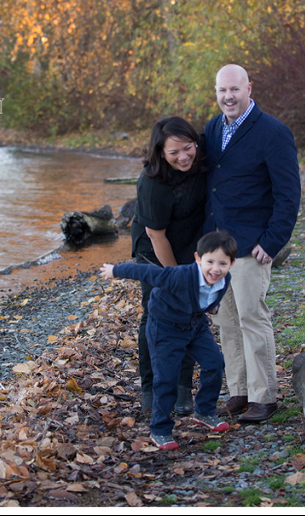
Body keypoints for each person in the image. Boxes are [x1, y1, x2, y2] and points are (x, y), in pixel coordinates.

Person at [204, 64, 301, 424]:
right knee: (226, 323)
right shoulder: (214, 129)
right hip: (218, 249)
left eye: (234, 89)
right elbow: (210, 187)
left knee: (252, 318)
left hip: (251, 247)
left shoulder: (273, 132)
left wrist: (273, 241)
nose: (227, 97)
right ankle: (239, 391)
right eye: (221, 90)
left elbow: (288, 194)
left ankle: (264, 397)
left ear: (249, 88)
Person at [100, 231, 237, 449]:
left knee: (215, 363)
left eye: (222, 263)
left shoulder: (224, 278)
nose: (215, 269)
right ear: (198, 258)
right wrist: (115, 270)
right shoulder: (180, 276)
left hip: (195, 324)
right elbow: (146, 271)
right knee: (167, 377)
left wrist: (211, 306)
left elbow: (211, 296)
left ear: (232, 263)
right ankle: (160, 429)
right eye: (210, 262)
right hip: (166, 327)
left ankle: (205, 411)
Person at [130, 117, 207, 416]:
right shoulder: (152, 183)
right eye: (174, 152)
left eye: (187, 148)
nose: (183, 156)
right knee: (157, 313)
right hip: (154, 250)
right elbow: (156, 235)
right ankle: (151, 387)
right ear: (161, 153)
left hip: (191, 244)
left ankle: (182, 387)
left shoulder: (202, 157)